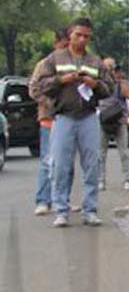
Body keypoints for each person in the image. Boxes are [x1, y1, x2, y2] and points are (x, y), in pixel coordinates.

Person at [34, 18, 112, 228]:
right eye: (78, 35)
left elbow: (109, 88)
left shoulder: (95, 61)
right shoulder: (54, 59)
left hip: (88, 117)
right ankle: (61, 209)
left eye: (86, 36)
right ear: (70, 34)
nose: (82, 39)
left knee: (92, 165)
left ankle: (90, 210)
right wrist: (62, 80)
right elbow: (40, 85)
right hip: (63, 117)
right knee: (60, 165)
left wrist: (94, 84)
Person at [29, 27, 72, 215]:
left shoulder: (74, 64)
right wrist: (51, 104)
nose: (66, 49)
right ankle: (43, 200)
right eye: (63, 45)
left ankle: (62, 200)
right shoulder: (45, 64)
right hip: (49, 119)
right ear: (56, 44)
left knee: (67, 163)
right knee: (49, 161)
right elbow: (34, 89)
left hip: (69, 119)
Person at [97, 58, 129, 191]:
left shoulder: (121, 82)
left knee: (124, 152)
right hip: (103, 120)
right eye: (108, 68)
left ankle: (127, 179)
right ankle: (100, 180)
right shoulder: (100, 82)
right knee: (101, 154)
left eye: (113, 68)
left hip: (119, 120)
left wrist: (119, 80)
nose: (111, 71)